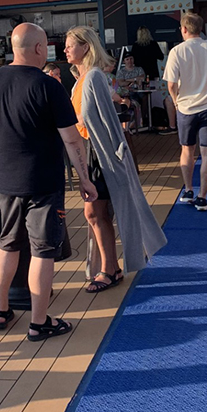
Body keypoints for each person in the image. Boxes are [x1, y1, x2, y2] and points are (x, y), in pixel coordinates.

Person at [0, 22, 96, 340]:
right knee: (42, 250)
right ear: (39, 48)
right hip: (43, 181)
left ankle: (1, 309)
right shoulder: (48, 86)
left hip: (5, 181)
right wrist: (84, 178)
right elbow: (72, 139)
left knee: (6, 243)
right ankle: (39, 323)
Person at [65, 26, 167, 293]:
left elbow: (98, 119)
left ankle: (109, 269)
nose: (65, 50)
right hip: (91, 152)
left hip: (101, 153)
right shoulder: (82, 79)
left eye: (70, 45)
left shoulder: (94, 77)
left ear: (85, 47)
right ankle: (110, 267)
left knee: (96, 212)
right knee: (96, 213)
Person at [162, 12, 207, 212]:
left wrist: (175, 101)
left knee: (187, 150)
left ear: (184, 29)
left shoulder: (177, 51)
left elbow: (171, 84)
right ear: (200, 28)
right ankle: (202, 197)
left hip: (186, 108)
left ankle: (188, 189)